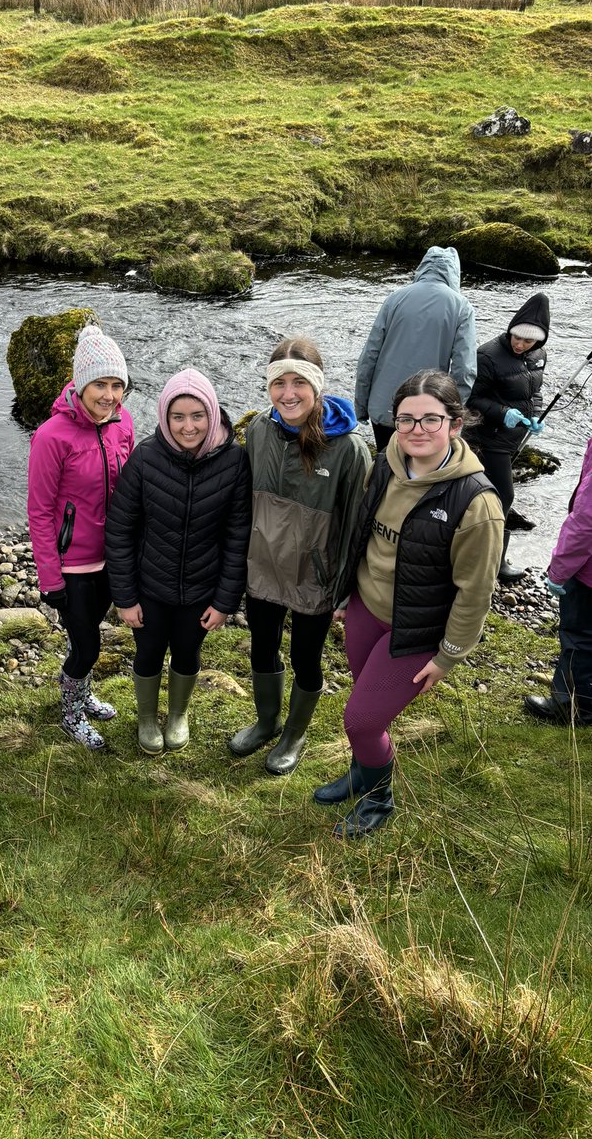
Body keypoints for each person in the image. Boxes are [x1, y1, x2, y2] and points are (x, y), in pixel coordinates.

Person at [318, 370, 504, 838]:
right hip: (366, 609)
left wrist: (449, 656)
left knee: (360, 719)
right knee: (367, 708)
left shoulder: (476, 503)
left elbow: (475, 592)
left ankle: (379, 800)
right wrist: (346, 593)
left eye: (430, 419)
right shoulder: (387, 462)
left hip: (418, 633)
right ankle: (364, 773)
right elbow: (363, 534)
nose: (416, 430)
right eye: (406, 419)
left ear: (456, 424)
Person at [229, 338, 370, 775]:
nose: (288, 394)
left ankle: (295, 732)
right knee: (261, 647)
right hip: (263, 567)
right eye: (278, 384)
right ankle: (268, 721)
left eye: (298, 383)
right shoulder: (258, 432)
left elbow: (357, 526)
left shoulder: (349, 451)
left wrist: (345, 589)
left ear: (317, 386)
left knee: (307, 657)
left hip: (316, 575)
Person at [105, 369, 252, 755]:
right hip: (149, 588)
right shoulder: (145, 458)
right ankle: (147, 717)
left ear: (212, 414)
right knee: (148, 653)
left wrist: (224, 602)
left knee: (188, 654)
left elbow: (238, 537)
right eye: (178, 417)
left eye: (197, 415)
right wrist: (125, 596)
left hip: (202, 591)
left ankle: (178, 715)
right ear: (165, 418)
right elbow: (120, 530)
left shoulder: (234, 461)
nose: (189, 427)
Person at [27, 323, 134, 750]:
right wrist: (50, 578)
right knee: (87, 647)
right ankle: (71, 714)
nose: (109, 395)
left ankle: (83, 695)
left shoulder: (123, 422)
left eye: (117, 385)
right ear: (79, 384)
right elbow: (38, 512)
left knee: (87, 637)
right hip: (72, 566)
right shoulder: (51, 436)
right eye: (99, 385)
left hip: (113, 558)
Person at [355, 246, 477, 451]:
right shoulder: (461, 306)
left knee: (386, 469)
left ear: (422, 267)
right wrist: (452, 416)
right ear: (455, 273)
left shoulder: (395, 298)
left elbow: (369, 357)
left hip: (383, 409)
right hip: (426, 415)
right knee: (418, 476)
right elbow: (464, 370)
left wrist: (361, 407)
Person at [467, 292, 549, 583]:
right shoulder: (488, 355)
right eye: (516, 337)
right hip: (487, 437)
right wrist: (503, 413)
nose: (520, 344)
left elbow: (534, 392)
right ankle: (494, 562)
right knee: (504, 496)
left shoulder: (538, 356)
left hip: (514, 437)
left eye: (528, 341)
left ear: (538, 342)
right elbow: (473, 398)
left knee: (490, 495)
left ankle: (482, 552)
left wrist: (535, 415)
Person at [524, 435, 592, 726]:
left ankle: (571, 706)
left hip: (588, 576)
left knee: (579, 637)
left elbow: (584, 525)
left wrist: (559, 570)